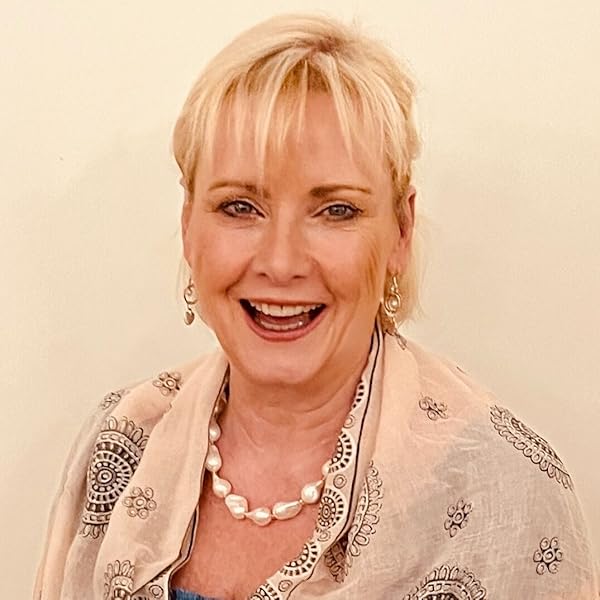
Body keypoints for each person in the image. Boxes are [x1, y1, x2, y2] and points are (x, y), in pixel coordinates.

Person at [34, 13, 598, 600]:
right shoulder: (121, 441)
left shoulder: (504, 495)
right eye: (240, 207)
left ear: (400, 232)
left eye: (336, 211)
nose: (281, 263)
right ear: (188, 227)